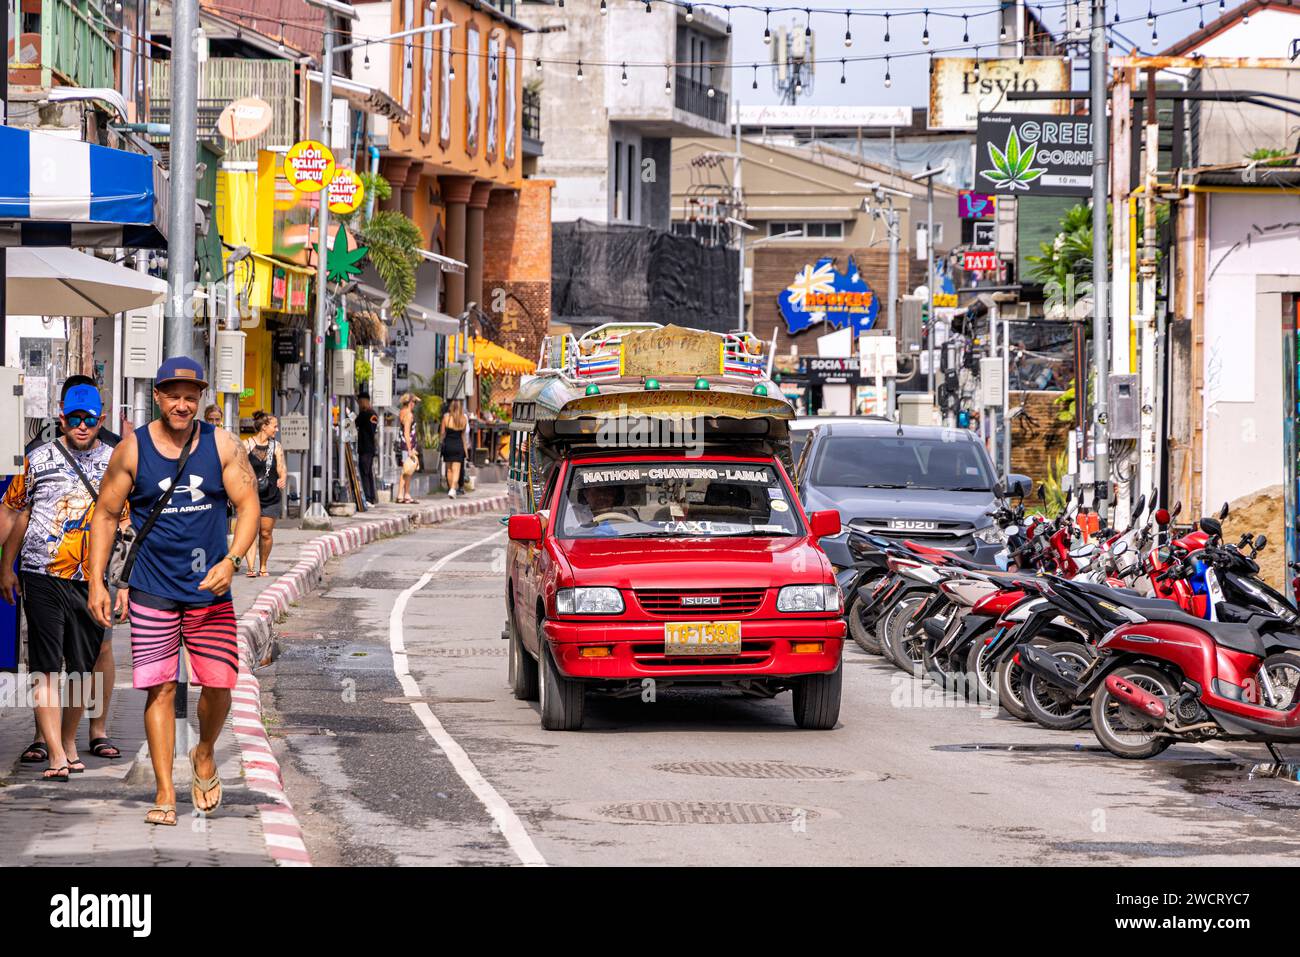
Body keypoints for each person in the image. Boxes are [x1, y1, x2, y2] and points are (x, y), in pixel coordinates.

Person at [87, 357, 260, 827]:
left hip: (209, 588)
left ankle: (204, 751)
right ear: (158, 396)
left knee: (219, 682)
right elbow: (105, 515)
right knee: (161, 688)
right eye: (173, 396)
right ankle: (165, 791)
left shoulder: (222, 444)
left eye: (190, 397)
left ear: (199, 398)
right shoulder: (133, 449)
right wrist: (97, 580)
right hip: (152, 589)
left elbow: (248, 504)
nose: (182, 405)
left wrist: (232, 560)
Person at [0, 383, 130, 781]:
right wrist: (5, 566)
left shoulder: (117, 461)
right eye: (73, 418)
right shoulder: (37, 459)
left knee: (82, 669)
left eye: (88, 418)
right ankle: (55, 753)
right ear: (61, 418)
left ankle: (70, 742)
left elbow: (125, 523)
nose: (81, 425)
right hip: (40, 574)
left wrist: (123, 584)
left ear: (100, 419)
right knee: (46, 667)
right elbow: (14, 512)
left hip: (91, 579)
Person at [243, 411, 286, 577]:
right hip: (250, 496)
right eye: (274, 426)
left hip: (271, 495)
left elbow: (281, 466)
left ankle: (263, 565)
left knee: (266, 533)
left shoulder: (276, 446)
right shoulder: (246, 445)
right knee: (250, 532)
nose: (277, 430)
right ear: (264, 427)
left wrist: (282, 478)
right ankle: (251, 568)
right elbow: (238, 467)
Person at [440, 399, 469, 500]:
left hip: (448, 445)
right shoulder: (463, 419)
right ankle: (453, 489)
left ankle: (451, 488)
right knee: (456, 469)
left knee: (449, 469)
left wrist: (440, 443)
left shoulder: (446, 418)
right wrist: (466, 450)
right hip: (458, 445)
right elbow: (463, 436)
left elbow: (442, 433)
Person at [396, 393, 420, 505]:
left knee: (407, 470)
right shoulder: (409, 415)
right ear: (410, 403)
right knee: (406, 471)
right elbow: (406, 433)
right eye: (414, 402)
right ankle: (401, 494)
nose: (415, 404)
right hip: (407, 445)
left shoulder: (402, 412)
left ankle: (405, 494)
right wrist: (410, 449)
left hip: (404, 444)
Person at [355, 395, 378, 506]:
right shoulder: (374, 414)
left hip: (364, 447)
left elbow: (354, 423)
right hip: (371, 447)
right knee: (369, 473)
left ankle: (368, 498)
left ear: (363, 402)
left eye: (359, 403)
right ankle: (372, 497)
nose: (359, 405)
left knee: (364, 473)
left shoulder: (364, 414)